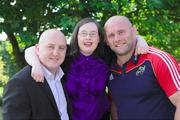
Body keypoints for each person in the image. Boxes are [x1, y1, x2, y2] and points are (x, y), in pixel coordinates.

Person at [24, 18, 148, 120]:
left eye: (93, 34)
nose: (88, 37)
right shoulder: (65, 55)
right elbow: (31, 50)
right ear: (76, 37)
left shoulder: (107, 54)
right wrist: (36, 64)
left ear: (99, 38)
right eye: (83, 33)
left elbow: (126, 41)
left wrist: (140, 40)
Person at [104, 16, 180, 120]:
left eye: (121, 32)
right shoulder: (108, 68)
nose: (117, 39)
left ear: (134, 31)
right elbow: (115, 103)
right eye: (111, 35)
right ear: (106, 41)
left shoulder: (157, 60)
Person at [3, 29, 71, 120]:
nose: (56, 53)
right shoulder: (19, 83)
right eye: (50, 47)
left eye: (61, 48)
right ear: (38, 49)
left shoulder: (63, 76)